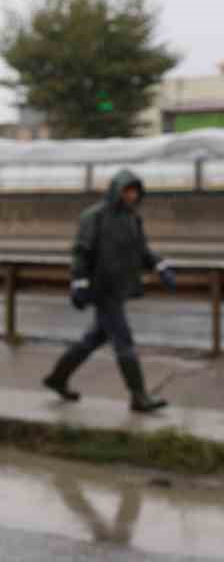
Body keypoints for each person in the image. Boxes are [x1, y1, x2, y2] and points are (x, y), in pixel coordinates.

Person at [43, 168, 177, 413]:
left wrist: (161, 266)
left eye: (135, 191)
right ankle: (139, 396)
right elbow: (81, 252)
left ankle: (57, 378)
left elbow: (143, 251)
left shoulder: (133, 218)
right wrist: (79, 283)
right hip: (102, 290)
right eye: (128, 190)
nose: (132, 196)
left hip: (120, 288)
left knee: (92, 339)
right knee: (124, 342)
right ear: (117, 190)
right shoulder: (94, 216)